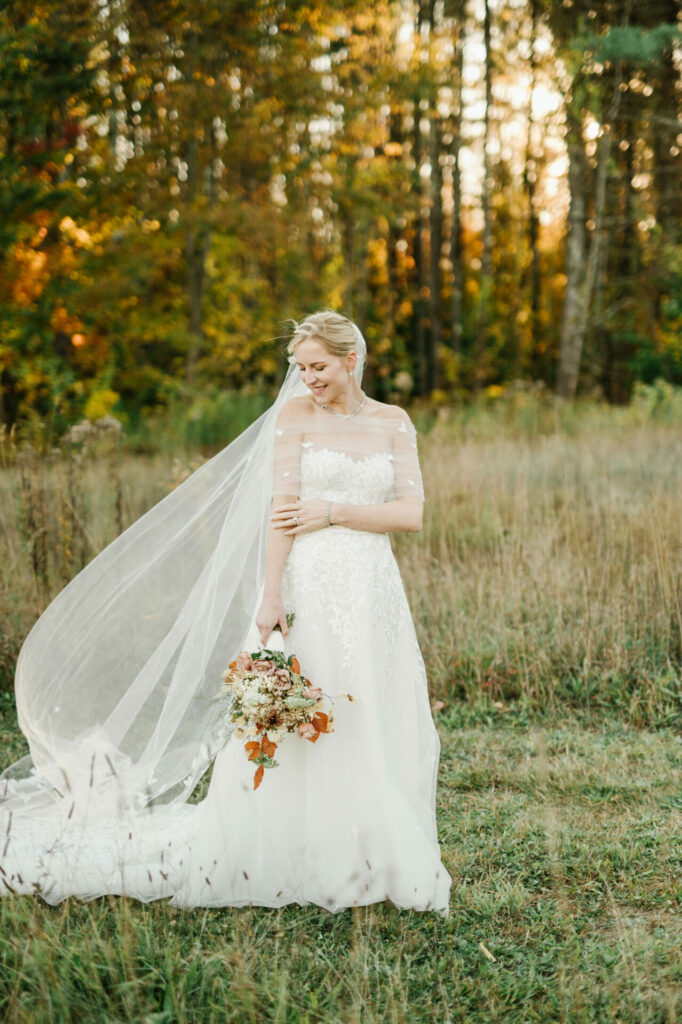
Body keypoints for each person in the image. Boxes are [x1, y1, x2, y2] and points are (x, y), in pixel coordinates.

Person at [0, 310, 451, 915]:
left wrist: (333, 511)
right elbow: (281, 513)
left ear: (351, 360)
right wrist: (269, 596)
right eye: (299, 368)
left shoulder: (394, 423)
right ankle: (288, 848)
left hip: (372, 590)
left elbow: (410, 514)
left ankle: (371, 847)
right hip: (308, 587)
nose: (307, 379)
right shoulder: (293, 420)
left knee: (370, 707)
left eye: (317, 367)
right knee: (299, 713)